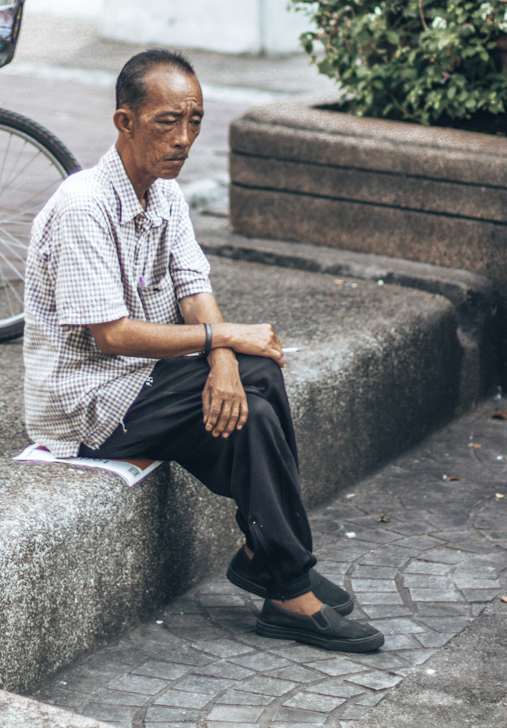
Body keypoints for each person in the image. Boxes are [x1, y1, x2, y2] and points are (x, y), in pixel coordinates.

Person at [23, 48, 384, 653]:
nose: (184, 137)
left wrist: (223, 360)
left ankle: (267, 558)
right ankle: (286, 585)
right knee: (256, 400)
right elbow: (110, 335)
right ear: (125, 122)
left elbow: (194, 287)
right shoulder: (84, 205)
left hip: (150, 382)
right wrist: (225, 339)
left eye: (194, 120)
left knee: (257, 377)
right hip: (89, 405)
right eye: (168, 121)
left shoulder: (164, 195)